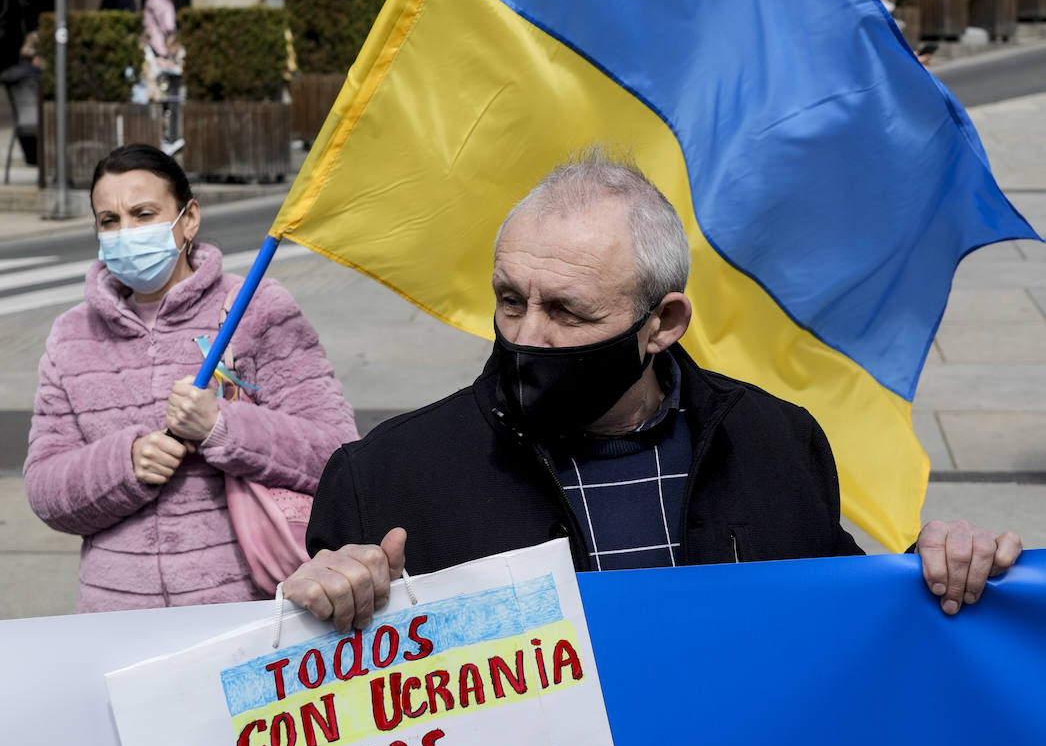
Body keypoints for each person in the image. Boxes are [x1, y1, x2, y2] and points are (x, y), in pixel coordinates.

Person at [285, 153, 1021, 633]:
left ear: (662, 323)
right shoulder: (382, 475)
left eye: (567, 311)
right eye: (511, 300)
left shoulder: (776, 442)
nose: (526, 335)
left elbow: (848, 627)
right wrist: (319, 601)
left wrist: (946, 569)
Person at [25, 143, 357, 611]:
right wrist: (126, 464)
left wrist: (224, 428)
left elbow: (335, 454)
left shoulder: (255, 307)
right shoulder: (70, 335)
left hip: (239, 612)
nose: (127, 232)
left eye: (143, 214)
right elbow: (44, 489)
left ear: (189, 218)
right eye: (109, 221)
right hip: (115, 621)